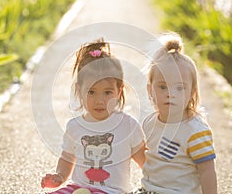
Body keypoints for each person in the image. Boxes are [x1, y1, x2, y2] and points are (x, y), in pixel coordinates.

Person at [40, 38, 146, 194]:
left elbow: (146, 162)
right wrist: (59, 176)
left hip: (112, 191)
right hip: (79, 188)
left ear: (119, 91)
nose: (99, 100)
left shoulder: (128, 125)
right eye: (91, 92)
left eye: (107, 92)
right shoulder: (74, 127)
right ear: (79, 89)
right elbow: (67, 158)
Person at [136, 33, 217, 194]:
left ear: (192, 92)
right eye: (162, 87)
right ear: (149, 90)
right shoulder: (150, 122)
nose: (170, 93)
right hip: (148, 190)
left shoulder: (195, 131)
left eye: (179, 88)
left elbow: (207, 171)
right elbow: (151, 159)